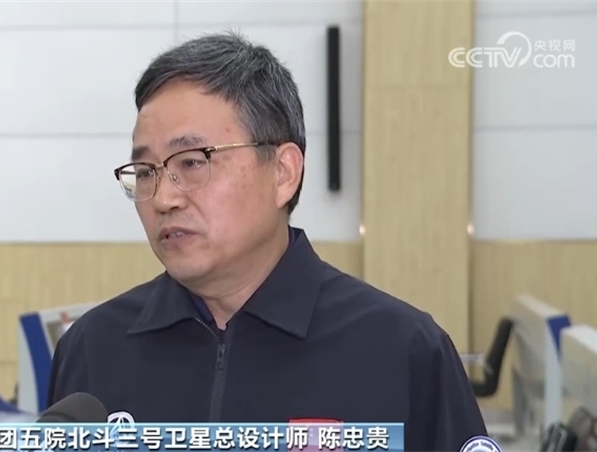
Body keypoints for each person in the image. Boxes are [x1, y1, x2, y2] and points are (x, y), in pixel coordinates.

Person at [48, 32, 487, 451]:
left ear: (283, 173)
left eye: (192, 162)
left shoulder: (403, 350)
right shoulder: (92, 349)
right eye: (146, 172)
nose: (163, 198)